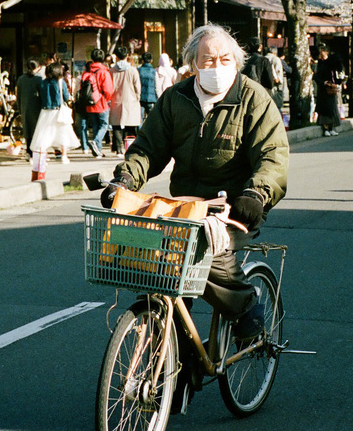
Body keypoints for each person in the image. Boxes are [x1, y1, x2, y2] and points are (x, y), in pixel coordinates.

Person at [101, 23, 289, 413]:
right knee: (154, 262)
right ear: (192, 64)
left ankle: (246, 306)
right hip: (185, 206)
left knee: (207, 256)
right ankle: (174, 362)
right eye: (207, 60)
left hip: (233, 208)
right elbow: (149, 148)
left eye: (224, 60)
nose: (215, 66)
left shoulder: (254, 100)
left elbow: (272, 157)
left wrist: (256, 193)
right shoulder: (176, 99)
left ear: (236, 62)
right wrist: (124, 180)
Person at [30, 62, 76, 164]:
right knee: (63, 134)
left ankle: (42, 156)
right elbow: (66, 97)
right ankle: (64, 156)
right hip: (59, 111)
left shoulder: (43, 82)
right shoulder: (61, 82)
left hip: (46, 111)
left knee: (44, 134)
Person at [78, 48, 114, 157]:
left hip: (90, 103)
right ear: (102, 58)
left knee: (95, 126)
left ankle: (97, 150)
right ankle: (96, 142)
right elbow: (108, 89)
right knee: (104, 125)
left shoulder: (87, 72)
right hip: (101, 102)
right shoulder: (104, 71)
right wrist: (107, 99)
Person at [109, 46, 142, 157]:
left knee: (116, 126)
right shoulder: (133, 70)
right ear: (127, 56)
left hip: (115, 101)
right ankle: (130, 149)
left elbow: (109, 87)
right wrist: (137, 97)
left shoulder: (112, 70)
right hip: (131, 101)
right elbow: (137, 87)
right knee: (131, 127)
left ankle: (118, 149)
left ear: (116, 57)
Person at [15, 59, 44, 157]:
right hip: (37, 107)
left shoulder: (21, 79)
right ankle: (37, 152)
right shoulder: (39, 79)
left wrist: (20, 109)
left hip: (25, 107)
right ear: (37, 67)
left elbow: (18, 95)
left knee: (28, 130)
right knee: (37, 130)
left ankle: (29, 152)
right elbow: (42, 95)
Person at [313, 44, 343, 136]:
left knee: (332, 108)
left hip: (331, 88)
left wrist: (339, 81)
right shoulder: (319, 63)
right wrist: (324, 82)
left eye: (322, 52)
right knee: (324, 110)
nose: (321, 54)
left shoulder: (332, 63)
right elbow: (316, 77)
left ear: (326, 52)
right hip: (323, 90)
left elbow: (337, 73)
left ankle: (331, 127)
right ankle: (325, 128)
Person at [137, 52, 157, 121]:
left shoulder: (138, 70)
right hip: (151, 98)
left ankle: (141, 131)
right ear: (151, 61)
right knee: (152, 119)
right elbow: (156, 86)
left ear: (142, 60)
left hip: (140, 97)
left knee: (140, 118)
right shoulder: (154, 71)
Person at [266, 46, 285, 110]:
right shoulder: (276, 59)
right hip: (275, 89)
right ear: (275, 53)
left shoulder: (262, 58)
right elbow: (278, 79)